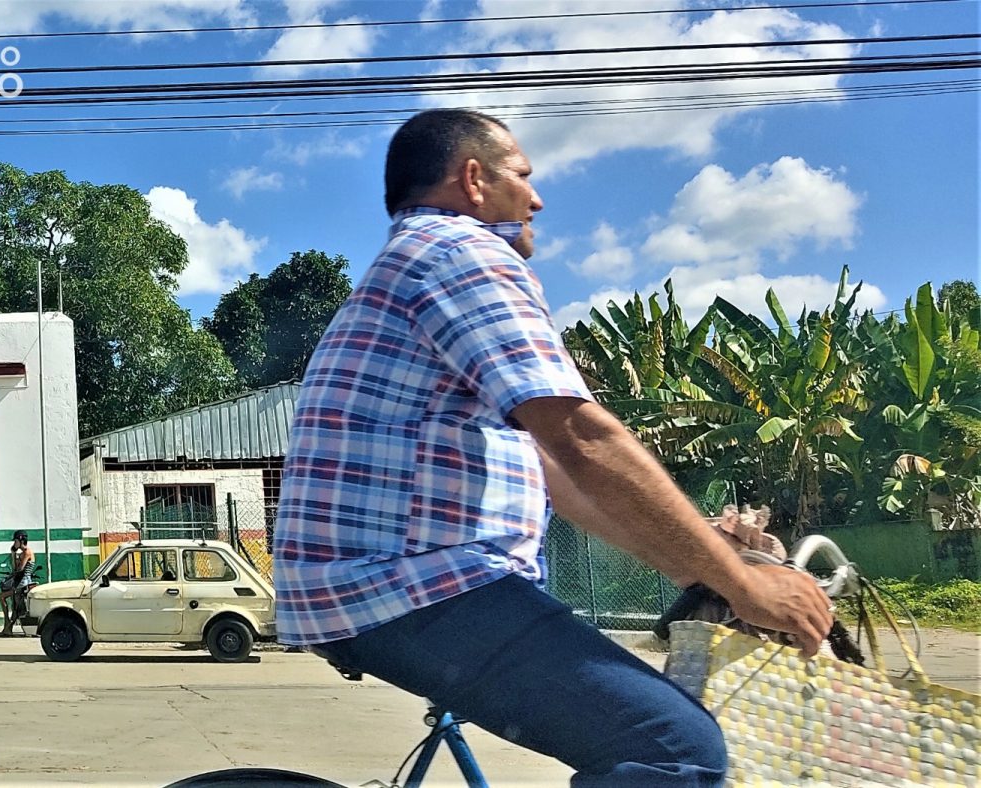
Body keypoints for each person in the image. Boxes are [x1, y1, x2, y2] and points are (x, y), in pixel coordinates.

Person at [272, 109, 834, 786]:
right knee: (675, 750)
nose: (536, 198)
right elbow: (584, 437)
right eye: (523, 175)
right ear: (473, 179)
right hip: (415, 587)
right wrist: (744, 586)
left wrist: (708, 570)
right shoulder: (460, 253)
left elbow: (566, 478)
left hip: (387, 588)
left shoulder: (414, 264)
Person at [0, 529, 36, 636]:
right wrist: (13, 554)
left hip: (23, 583)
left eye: (15, 541)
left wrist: (16, 557)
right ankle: (7, 626)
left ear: (20, 540)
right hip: (19, 581)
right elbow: (15, 568)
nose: (14, 543)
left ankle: (7, 626)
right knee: (14, 604)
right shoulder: (22, 553)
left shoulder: (27, 552)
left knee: (7, 599)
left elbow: (19, 570)